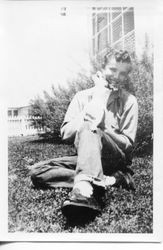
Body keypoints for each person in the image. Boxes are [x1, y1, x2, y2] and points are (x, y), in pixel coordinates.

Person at [29, 50, 138, 217]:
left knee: (90, 127)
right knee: (38, 172)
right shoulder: (82, 97)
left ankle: (84, 191)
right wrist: (94, 102)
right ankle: (110, 180)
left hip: (113, 159)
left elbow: (128, 144)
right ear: (101, 69)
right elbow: (66, 133)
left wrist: (103, 127)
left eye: (123, 73)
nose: (117, 76)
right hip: (87, 157)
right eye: (113, 69)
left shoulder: (129, 101)